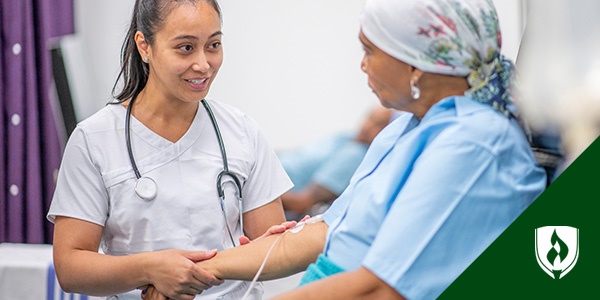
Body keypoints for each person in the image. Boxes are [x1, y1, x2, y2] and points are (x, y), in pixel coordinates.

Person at [143, 0, 547, 299]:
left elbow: (380, 289)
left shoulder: (473, 145)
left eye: (370, 51)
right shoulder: (407, 126)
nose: (363, 65)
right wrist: (193, 272)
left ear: (415, 64)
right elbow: (323, 233)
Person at [46, 1, 295, 299]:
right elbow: (70, 267)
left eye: (213, 45)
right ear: (145, 46)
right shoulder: (93, 140)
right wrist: (150, 270)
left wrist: (190, 273)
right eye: (186, 48)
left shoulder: (242, 131)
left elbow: (276, 251)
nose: (203, 64)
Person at [279, 106, 393, 220]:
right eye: (370, 118)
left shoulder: (355, 156)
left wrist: (266, 190)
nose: (369, 126)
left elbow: (301, 203)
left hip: (276, 191)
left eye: (379, 124)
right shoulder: (345, 137)